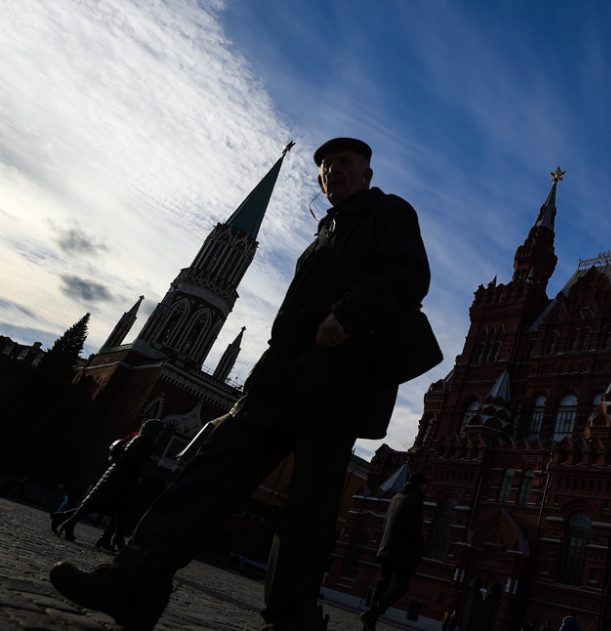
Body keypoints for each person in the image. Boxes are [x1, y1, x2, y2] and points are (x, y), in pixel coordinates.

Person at [49, 137, 439, 631]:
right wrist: (252, 387)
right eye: (324, 167)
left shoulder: (390, 214)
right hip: (277, 387)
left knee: (306, 513)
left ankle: (290, 620)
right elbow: (288, 327)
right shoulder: (320, 240)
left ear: (366, 172)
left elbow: (410, 278)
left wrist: (349, 312)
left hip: (339, 388)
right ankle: (134, 583)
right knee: (204, 478)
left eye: (343, 163)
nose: (332, 171)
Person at [50, 420, 162, 543]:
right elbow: (133, 460)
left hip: (118, 475)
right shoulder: (143, 441)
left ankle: (66, 520)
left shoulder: (139, 439)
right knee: (101, 504)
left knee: (106, 506)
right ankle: (70, 523)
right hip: (120, 477)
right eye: (158, 432)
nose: (159, 435)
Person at [361, 472, 429, 630]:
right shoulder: (416, 500)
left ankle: (369, 623)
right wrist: (418, 550)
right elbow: (414, 529)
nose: (426, 489)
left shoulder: (396, 497)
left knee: (381, 584)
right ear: (420, 484)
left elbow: (385, 523)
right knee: (402, 586)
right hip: (402, 551)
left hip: (386, 548)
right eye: (425, 485)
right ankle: (373, 614)